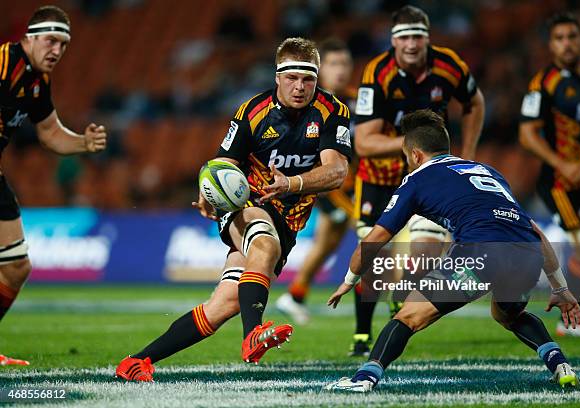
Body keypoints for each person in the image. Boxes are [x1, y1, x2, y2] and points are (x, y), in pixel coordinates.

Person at [115, 37, 352, 381]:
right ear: (277, 76)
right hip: (249, 205)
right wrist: (207, 190)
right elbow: (223, 161)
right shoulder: (252, 112)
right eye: (291, 78)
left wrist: (291, 184)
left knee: (224, 305)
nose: (300, 87)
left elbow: (337, 171)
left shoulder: (333, 112)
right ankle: (252, 334)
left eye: (308, 79)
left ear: (317, 78)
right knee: (264, 241)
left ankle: (136, 363)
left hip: (289, 219)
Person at [325, 110, 580, 392]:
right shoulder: (487, 171)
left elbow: (374, 239)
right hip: (527, 256)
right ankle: (560, 366)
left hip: (480, 256)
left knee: (407, 316)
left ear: (416, 155)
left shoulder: (416, 180)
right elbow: (536, 232)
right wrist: (560, 287)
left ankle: (363, 380)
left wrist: (349, 280)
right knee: (508, 314)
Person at [350, 5, 485, 356]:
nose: (411, 44)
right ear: (393, 41)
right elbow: (363, 143)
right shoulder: (376, 73)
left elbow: (475, 102)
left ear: (427, 38)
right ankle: (362, 333)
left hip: (430, 177)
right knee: (374, 263)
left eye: (417, 36)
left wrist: (467, 152)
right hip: (380, 179)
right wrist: (415, 143)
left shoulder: (450, 64)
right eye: (404, 37)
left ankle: (400, 306)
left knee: (423, 257)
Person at [0, 5, 107, 366]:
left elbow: (49, 134)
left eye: (63, 44)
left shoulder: (36, 80)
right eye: (50, 40)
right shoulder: (3, 63)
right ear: (28, 38)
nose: (57, 50)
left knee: (16, 268)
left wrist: (82, 143)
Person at [519, 12, 580, 336]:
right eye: (560, 39)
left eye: (572, 36)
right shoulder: (543, 84)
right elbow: (527, 134)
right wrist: (561, 163)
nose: (567, 44)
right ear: (551, 45)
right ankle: (568, 320)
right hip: (562, 184)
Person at [275, 38, 355, 325]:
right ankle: (378, 318)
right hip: (325, 182)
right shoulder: (311, 106)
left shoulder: (358, 101)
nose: (341, 70)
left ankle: (296, 293)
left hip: (352, 180)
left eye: (345, 63)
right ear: (321, 70)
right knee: (373, 232)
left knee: (328, 242)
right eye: (334, 64)